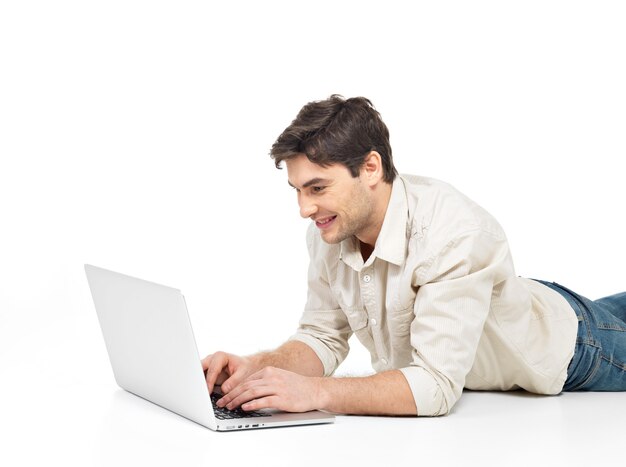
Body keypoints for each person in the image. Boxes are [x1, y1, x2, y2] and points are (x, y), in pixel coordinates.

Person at [202, 95, 626, 416]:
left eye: (317, 188)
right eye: (297, 190)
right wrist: (255, 367)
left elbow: (437, 386)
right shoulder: (332, 227)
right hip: (516, 303)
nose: (304, 209)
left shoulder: (454, 232)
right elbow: (322, 336)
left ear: (370, 168)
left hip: (577, 348)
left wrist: (316, 393)